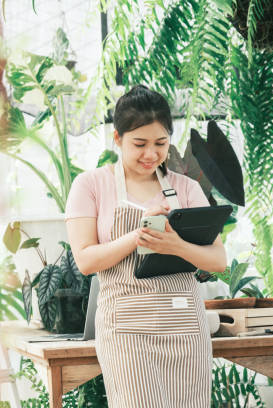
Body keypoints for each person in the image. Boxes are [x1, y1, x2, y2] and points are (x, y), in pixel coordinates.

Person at [65, 85, 227, 407]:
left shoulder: (186, 188)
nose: (151, 154)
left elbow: (218, 260)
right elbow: (85, 260)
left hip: (185, 330)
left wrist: (175, 244)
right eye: (139, 144)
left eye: (160, 143)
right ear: (117, 139)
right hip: (126, 332)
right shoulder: (91, 185)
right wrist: (138, 236)